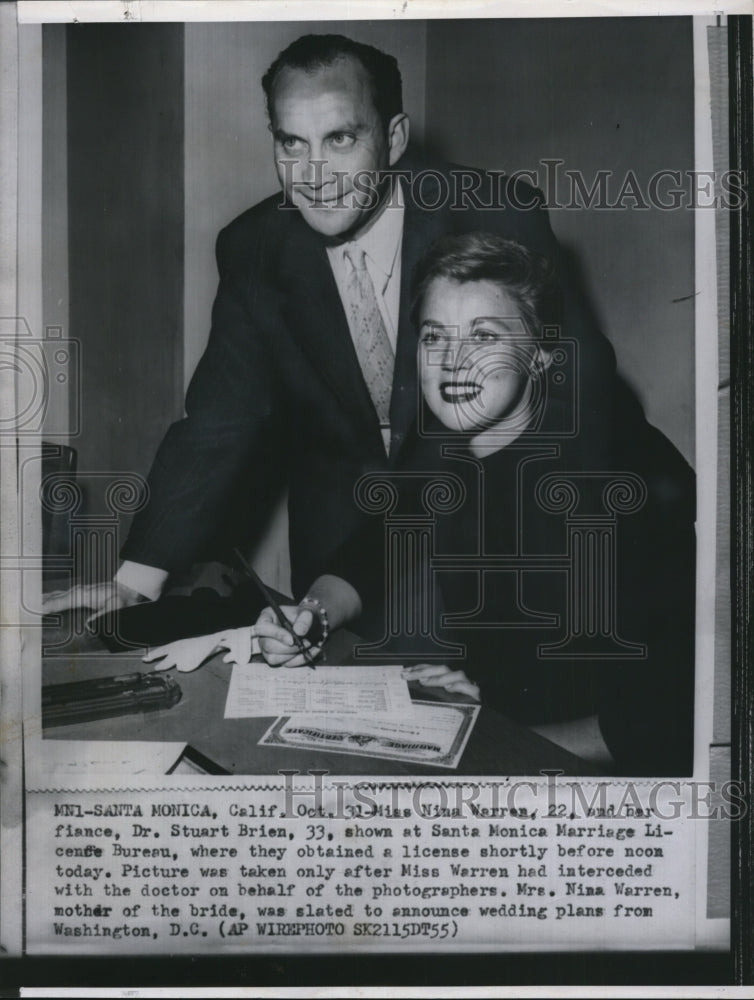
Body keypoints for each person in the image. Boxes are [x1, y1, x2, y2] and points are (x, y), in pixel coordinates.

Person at [43, 33, 635, 631]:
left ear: (394, 138)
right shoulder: (253, 248)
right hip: (336, 544)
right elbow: (218, 420)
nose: (314, 175)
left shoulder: (492, 212)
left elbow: (577, 383)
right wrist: (134, 580)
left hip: (482, 518)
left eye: (341, 138)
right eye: (291, 143)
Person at [257, 233, 696, 775]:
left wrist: (485, 736)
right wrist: (310, 616)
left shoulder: (612, 483)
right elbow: (375, 547)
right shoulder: (447, 443)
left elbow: (663, 720)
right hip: (506, 730)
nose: (452, 363)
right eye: (435, 336)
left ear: (538, 356)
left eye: (484, 336)